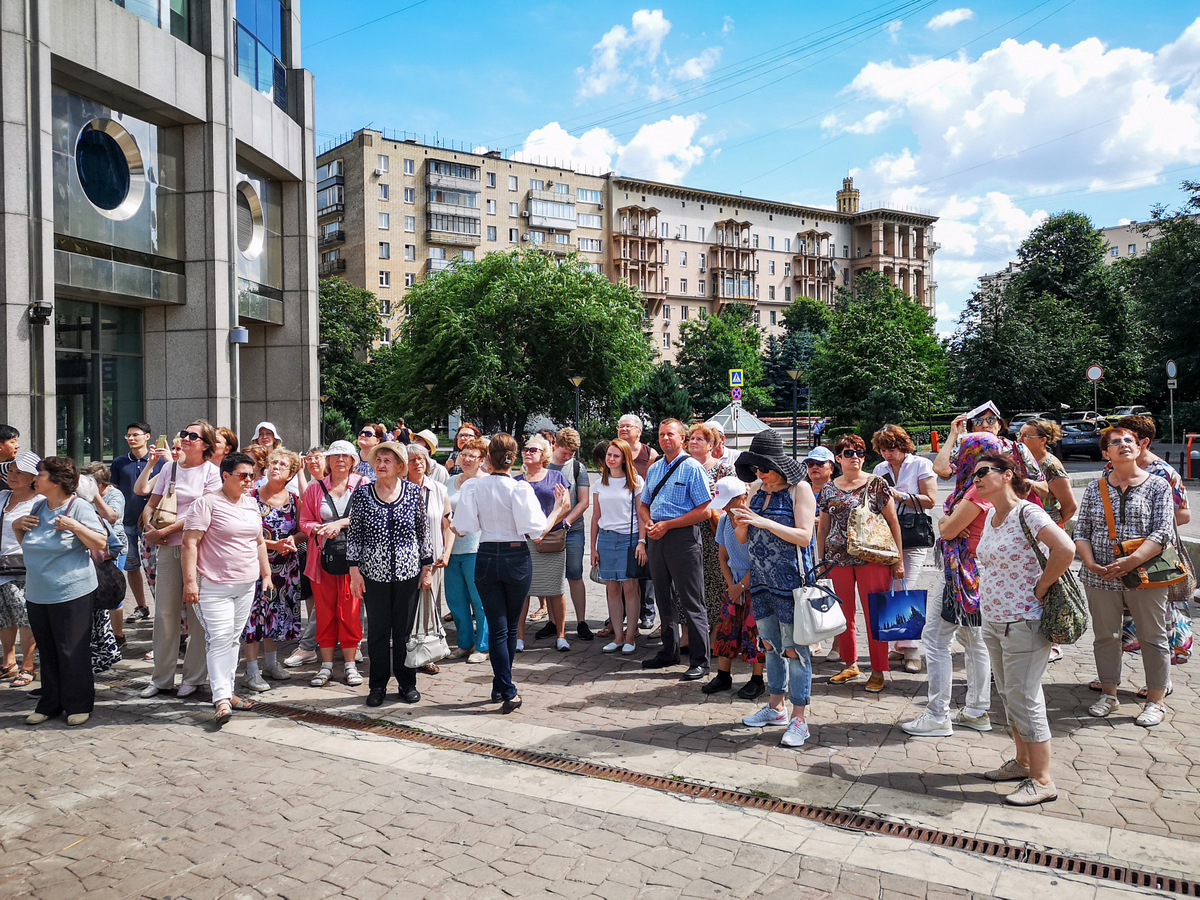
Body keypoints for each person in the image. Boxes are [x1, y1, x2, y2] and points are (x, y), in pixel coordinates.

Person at [973, 453, 1076, 805]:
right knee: (1008, 695)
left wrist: (1043, 586)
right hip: (995, 620)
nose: (977, 479)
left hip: (1025, 621)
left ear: (1007, 476)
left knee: (1025, 697)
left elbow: (1065, 548)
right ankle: (1022, 762)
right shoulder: (990, 515)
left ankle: (1043, 779)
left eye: (983, 472)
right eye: (974, 476)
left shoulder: (1027, 512)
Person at [453, 434, 570, 713]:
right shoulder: (518, 489)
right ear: (512, 458)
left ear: (487, 458)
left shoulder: (473, 488)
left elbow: (461, 527)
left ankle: (500, 682)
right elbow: (537, 532)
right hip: (515, 555)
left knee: (498, 626)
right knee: (506, 626)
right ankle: (505, 687)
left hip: (486, 554)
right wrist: (558, 510)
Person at [1075, 427, 1176, 728]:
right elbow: (1082, 530)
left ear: (1139, 446)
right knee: (1106, 637)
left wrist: (1132, 560)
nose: (1123, 446)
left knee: (1153, 637)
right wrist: (1090, 562)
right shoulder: (1096, 488)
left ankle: (1155, 701)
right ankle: (1109, 694)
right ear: (1105, 453)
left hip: (1145, 573)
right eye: (1115, 443)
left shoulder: (1158, 485)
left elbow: (1163, 531)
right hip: (1101, 575)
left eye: (1128, 441)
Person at [900, 433, 998, 738]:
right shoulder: (993, 486)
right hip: (976, 571)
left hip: (961, 573)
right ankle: (977, 710)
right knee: (974, 643)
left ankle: (937, 714)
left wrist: (945, 520)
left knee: (936, 640)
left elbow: (947, 528)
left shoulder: (974, 493)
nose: (956, 459)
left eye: (961, 453)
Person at [731, 431, 818, 747]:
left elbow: (804, 537)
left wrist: (762, 521)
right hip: (762, 582)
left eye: (764, 468)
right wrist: (740, 520)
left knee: (795, 650)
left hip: (791, 583)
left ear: (779, 466)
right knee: (769, 644)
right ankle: (775, 707)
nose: (759, 474)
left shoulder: (800, 489)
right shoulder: (755, 488)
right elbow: (742, 539)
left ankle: (799, 719)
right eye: (755, 469)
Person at [13, 456, 108, 726]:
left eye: (39, 474)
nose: (34, 478)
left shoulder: (78, 507)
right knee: (48, 649)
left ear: (55, 481)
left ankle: (78, 703)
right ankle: (50, 704)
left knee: (71, 650)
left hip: (72, 591)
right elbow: (29, 544)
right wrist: (15, 526)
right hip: (38, 592)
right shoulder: (40, 506)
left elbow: (101, 540)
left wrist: (75, 526)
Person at [181, 452, 272, 726]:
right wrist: (190, 582)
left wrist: (265, 574)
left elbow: (258, 541)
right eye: (242, 475)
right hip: (213, 584)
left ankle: (227, 692)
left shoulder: (251, 504)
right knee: (219, 638)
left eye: (251, 475)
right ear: (225, 476)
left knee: (233, 639)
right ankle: (221, 698)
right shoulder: (207, 502)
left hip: (246, 584)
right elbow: (189, 543)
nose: (248, 481)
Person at [348, 440, 434, 706]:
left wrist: (426, 568)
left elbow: (423, 532)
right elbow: (355, 534)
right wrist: (354, 571)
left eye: (387, 461)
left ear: (399, 466)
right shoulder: (363, 494)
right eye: (378, 460)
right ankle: (377, 686)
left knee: (403, 633)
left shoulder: (411, 492)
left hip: (408, 574)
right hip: (374, 574)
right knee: (377, 632)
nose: (381, 465)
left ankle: (407, 683)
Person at [140, 421, 222, 699]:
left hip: (199, 550)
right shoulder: (169, 467)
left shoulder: (213, 473)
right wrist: (151, 528)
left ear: (206, 445)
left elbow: (202, 513)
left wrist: (167, 530)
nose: (185, 438)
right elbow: (152, 502)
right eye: (184, 434)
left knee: (198, 615)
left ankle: (194, 677)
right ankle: (161, 678)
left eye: (192, 436)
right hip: (166, 546)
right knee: (164, 614)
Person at [816, 434, 904, 692]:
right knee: (843, 614)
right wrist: (821, 561)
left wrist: (898, 560)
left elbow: (893, 522)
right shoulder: (830, 488)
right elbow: (823, 528)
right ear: (838, 458)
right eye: (848, 452)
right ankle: (850, 662)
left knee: (875, 613)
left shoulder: (876, 484)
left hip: (872, 558)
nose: (855, 456)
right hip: (837, 559)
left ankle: (878, 669)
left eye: (860, 452)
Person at [639, 419, 715, 680]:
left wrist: (668, 525)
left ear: (682, 438)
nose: (665, 439)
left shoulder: (693, 468)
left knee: (692, 600)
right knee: (663, 597)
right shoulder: (655, 468)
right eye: (661, 435)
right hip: (656, 538)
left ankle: (700, 660)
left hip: (682, 538)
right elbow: (643, 504)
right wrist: (649, 522)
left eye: (670, 434)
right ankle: (669, 651)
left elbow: (704, 510)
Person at [300, 440, 366, 687]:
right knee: (325, 612)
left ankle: (350, 664)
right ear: (327, 461)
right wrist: (317, 528)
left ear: (352, 461)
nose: (340, 460)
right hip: (322, 558)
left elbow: (366, 516)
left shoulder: (363, 485)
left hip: (354, 561)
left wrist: (340, 523)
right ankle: (325, 665)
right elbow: (304, 521)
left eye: (345, 456)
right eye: (335, 456)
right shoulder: (314, 488)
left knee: (350, 612)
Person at [872, 425, 937, 675]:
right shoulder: (880, 469)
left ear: (902, 446)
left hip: (913, 534)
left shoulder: (920, 464)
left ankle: (911, 649)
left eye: (891, 449)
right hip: (886, 536)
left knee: (905, 587)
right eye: (883, 450)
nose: (888, 454)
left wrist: (899, 496)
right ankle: (896, 644)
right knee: (889, 589)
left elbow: (931, 500)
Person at [240, 449, 305, 694]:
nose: (276, 466)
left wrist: (290, 540)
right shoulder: (251, 496)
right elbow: (245, 533)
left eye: (283, 465)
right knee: (254, 616)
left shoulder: (294, 500)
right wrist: (272, 544)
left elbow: (302, 531)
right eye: (273, 462)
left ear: (290, 474)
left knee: (275, 614)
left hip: (285, 567)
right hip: (255, 565)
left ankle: (270, 663)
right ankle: (251, 671)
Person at [704, 476, 765, 698]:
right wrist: (732, 586)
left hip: (756, 583)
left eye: (731, 503)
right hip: (734, 582)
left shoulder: (754, 522)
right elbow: (723, 556)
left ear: (743, 498)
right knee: (726, 629)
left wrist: (741, 586)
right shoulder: (723, 521)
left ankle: (757, 679)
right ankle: (723, 674)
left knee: (754, 631)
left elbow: (760, 560)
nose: (727, 509)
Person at [516, 435, 571, 651]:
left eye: (534, 450)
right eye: (526, 449)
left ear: (544, 455)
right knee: (522, 591)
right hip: (525, 543)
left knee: (555, 590)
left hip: (552, 542)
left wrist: (543, 530)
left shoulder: (556, 477)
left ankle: (561, 635)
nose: (528, 452)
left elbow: (564, 506)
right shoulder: (516, 482)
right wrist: (535, 532)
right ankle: (519, 638)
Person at [590, 439, 645, 653]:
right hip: (605, 538)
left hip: (628, 538)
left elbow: (641, 515)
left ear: (624, 458)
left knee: (630, 587)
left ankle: (631, 636)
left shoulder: (635, 481)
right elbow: (595, 517)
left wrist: (642, 541)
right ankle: (618, 636)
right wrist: (593, 548)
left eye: (616, 456)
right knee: (611, 587)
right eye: (609, 455)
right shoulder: (599, 483)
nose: (611, 459)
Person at [406, 441, 453, 664]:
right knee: (406, 607)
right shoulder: (397, 488)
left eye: (421, 459)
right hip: (403, 561)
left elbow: (448, 525)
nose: (417, 463)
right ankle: (405, 650)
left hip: (432, 559)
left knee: (429, 608)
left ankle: (427, 655)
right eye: (412, 460)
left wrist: (447, 552)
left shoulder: (438, 489)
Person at [111, 422, 162, 625]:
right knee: (132, 566)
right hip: (127, 522)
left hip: (153, 524)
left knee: (156, 567)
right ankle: (142, 606)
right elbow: (113, 490)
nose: (132, 439)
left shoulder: (160, 463)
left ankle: (163, 608)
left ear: (147, 436)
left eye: (136, 435)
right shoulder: (119, 462)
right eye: (128, 436)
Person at [688, 423, 735, 638]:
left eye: (699, 439)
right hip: (686, 529)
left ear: (711, 444)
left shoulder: (724, 469)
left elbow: (733, 499)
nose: (694, 442)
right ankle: (687, 633)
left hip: (715, 531)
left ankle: (716, 632)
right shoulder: (683, 466)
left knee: (716, 581)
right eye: (691, 438)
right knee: (687, 581)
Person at [546, 427, 593, 642]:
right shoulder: (544, 464)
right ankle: (552, 621)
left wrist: (567, 521)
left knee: (575, 573)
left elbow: (584, 502)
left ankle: (581, 621)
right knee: (551, 576)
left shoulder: (577, 468)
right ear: (555, 444)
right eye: (565, 453)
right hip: (548, 530)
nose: (567, 457)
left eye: (571, 454)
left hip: (572, 530)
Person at [445, 437, 489, 663]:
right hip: (452, 549)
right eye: (464, 454)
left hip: (477, 548)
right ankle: (464, 643)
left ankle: (483, 645)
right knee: (456, 599)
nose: (466, 459)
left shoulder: (487, 482)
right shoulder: (450, 481)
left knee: (479, 599)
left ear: (482, 460)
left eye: (472, 455)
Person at [80, 463, 127, 670]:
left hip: (109, 553)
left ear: (98, 484)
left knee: (109, 597)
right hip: (93, 555)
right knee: (97, 607)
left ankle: (118, 636)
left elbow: (112, 517)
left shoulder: (114, 495)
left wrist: (93, 497)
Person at [286, 447, 329, 668]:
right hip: (316, 550)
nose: (313, 462)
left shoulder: (348, 483)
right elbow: (306, 515)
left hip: (341, 553)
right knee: (316, 600)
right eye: (309, 459)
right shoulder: (313, 487)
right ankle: (312, 644)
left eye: (317, 458)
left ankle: (352, 645)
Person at [0, 451, 40, 687]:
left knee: (25, 617)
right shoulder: (3, 496)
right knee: (3, 616)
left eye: (19, 472)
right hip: (0, 567)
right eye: (11, 471)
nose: (12, 476)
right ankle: (8, 662)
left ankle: (28, 665)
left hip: (23, 566)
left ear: (33, 478)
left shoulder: (38, 503)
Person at [616, 414, 658, 632]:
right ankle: (620, 613)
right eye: (620, 426)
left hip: (644, 515)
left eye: (628, 426)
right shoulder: (613, 451)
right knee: (623, 570)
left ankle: (647, 612)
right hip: (620, 521)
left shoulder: (649, 454)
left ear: (639, 431)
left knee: (644, 566)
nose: (623, 429)